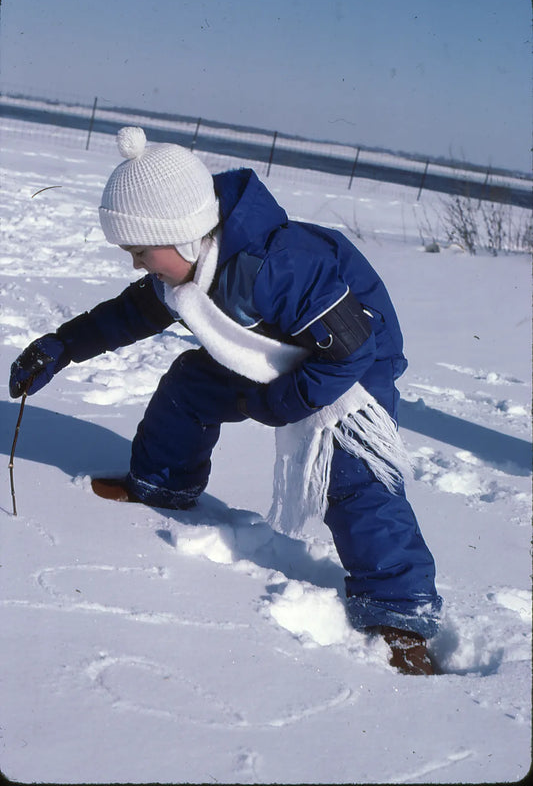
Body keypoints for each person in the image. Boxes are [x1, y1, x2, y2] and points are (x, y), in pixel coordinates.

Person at [9, 127, 442, 675]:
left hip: (355, 367)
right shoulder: (194, 267)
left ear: (181, 234)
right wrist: (64, 346)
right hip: (281, 357)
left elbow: (350, 350)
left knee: (354, 473)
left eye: (141, 251)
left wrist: (281, 403)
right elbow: (131, 314)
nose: (137, 264)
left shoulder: (279, 268)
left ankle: (400, 616)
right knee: (192, 384)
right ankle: (161, 482)